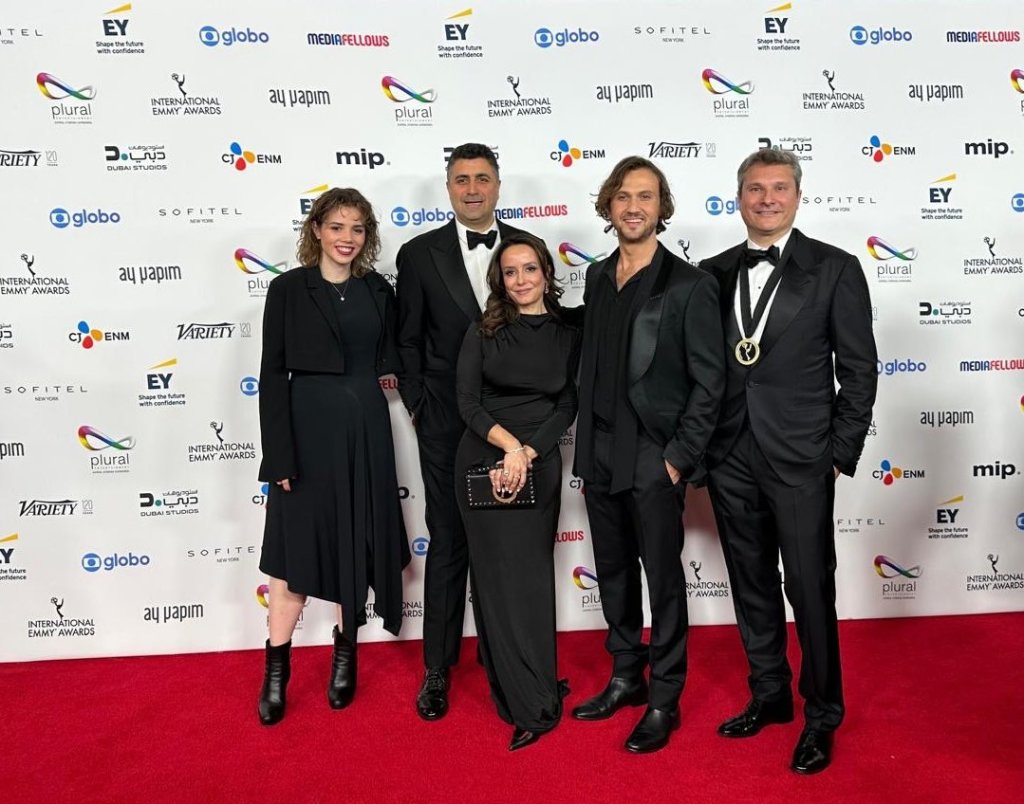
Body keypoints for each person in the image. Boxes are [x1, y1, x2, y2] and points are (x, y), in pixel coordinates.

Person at [701, 149, 877, 774]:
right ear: (738, 198)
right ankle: (770, 694)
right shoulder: (711, 273)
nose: (767, 198)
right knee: (750, 582)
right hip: (730, 454)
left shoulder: (835, 268)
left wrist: (839, 453)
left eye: (779, 187)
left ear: (798, 197)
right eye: (755, 188)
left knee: (808, 586)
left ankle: (823, 714)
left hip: (803, 456)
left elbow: (859, 369)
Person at [571, 156, 726, 753]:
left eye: (646, 196)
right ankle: (625, 676)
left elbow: (710, 382)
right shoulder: (595, 277)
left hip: (652, 454)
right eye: (623, 196)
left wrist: (677, 457)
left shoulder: (689, 285)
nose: (634, 206)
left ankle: (665, 697)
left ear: (662, 208)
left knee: (662, 579)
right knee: (611, 571)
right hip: (598, 450)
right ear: (608, 206)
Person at [256, 187, 410, 725]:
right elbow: (272, 376)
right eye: (337, 227)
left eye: (358, 229)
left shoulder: (377, 291)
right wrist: (279, 458)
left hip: (366, 431)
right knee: (293, 558)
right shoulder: (288, 289)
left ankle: (346, 658)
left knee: (357, 545)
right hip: (306, 436)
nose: (347, 238)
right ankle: (276, 671)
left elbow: (401, 353)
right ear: (317, 230)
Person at [395, 143, 529, 720]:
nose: (472, 189)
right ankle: (437, 667)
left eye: (482, 178)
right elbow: (406, 340)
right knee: (448, 541)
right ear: (448, 188)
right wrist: (421, 407)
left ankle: (515, 664)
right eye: (461, 179)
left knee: (509, 547)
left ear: (498, 185)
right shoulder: (418, 254)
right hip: (447, 424)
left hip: (514, 428)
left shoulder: (529, 249)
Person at [453, 232, 580, 751]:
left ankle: (539, 680)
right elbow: (467, 401)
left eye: (530, 268)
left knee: (531, 581)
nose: (521, 279)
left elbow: (567, 404)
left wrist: (528, 453)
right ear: (499, 281)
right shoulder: (483, 331)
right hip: (485, 459)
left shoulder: (568, 332)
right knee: (498, 582)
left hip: (538, 461)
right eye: (510, 272)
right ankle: (524, 700)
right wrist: (509, 449)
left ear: (546, 272)